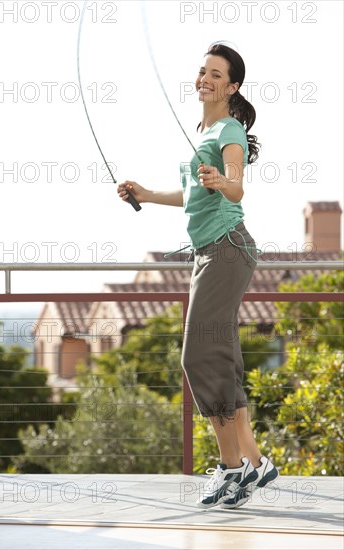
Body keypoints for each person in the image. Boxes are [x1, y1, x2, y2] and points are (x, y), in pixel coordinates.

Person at [117, 42, 278, 509]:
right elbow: (193, 193)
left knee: (197, 357)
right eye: (202, 71)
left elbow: (235, 184)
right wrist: (146, 193)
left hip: (227, 249)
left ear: (232, 86)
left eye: (215, 73)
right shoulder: (203, 128)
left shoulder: (229, 130)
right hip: (210, 253)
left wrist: (222, 181)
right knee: (221, 359)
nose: (205, 78)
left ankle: (232, 468)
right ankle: (254, 462)